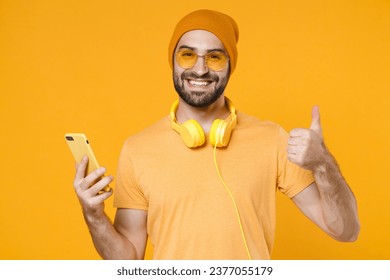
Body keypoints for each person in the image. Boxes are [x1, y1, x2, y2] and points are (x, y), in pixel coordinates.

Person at [73, 9, 360, 260]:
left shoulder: (272, 139)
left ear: (230, 64)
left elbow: (346, 231)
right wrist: (94, 215)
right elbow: (127, 260)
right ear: (172, 61)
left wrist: (323, 164)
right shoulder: (137, 150)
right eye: (187, 55)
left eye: (214, 56)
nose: (200, 69)